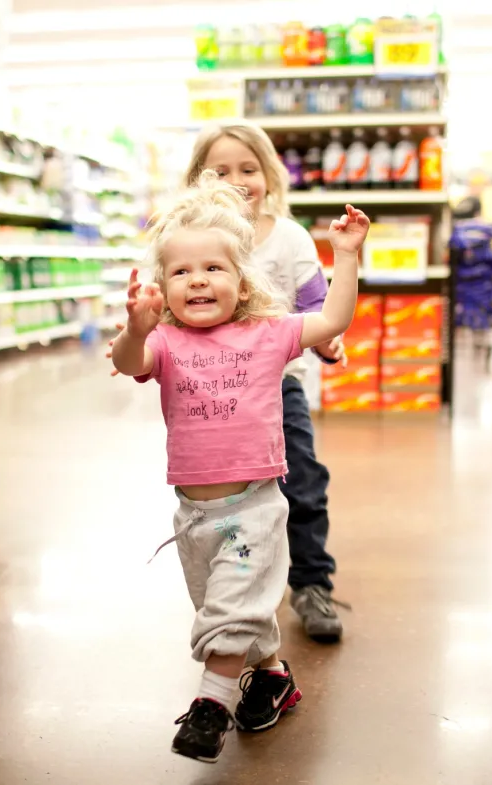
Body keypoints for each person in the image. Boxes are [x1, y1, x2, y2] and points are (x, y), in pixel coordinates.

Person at [111, 170, 368, 764]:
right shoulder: (167, 344)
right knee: (227, 609)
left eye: (213, 268)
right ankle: (274, 678)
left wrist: (346, 256)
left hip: (253, 505)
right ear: (163, 287)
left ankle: (211, 709)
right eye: (180, 272)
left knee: (228, 615)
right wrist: (135, 326)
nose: (197, 279)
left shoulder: (266, 335)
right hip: (192, 515)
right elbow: (129, 362)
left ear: (242, 279)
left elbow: (331, 322)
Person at [183, 122, 347, 642]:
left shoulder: (290, 237)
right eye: (220, 170)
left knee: (302, 481)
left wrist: (324, 340)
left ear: (269, 174)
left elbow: (314, 302)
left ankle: (311, 583)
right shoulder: (194, 238)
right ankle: (234, 583)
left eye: (248, 169)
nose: (237, 180)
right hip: (212, 393)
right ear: (199, 180)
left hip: (278, 386)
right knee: (226, 497)